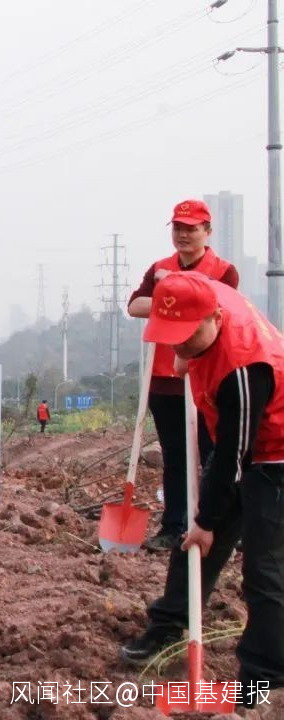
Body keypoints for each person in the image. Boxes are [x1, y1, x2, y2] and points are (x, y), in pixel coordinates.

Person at [120, 273, 284, 709]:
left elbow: (233, 457)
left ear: (216, 318)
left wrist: (209, 521)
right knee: (192, 543)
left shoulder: (244, 368)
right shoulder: (201, 294)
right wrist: (186, 355)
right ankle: (169, 623)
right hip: (244, 441)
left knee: (264, 569)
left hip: (275, 453)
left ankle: (265, 678)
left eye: (187, 337)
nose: (179, 344)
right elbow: (182, 286)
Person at [126, 199, 239, 552]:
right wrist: (171, 292)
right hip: (165, 378)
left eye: (191, 228)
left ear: (207, 231)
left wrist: (174, 287)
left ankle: (217, 525)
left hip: (207, 376)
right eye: (178, 228)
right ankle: (173, 526)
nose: (183, 235)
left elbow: (220, 307)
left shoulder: (224, 270)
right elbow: (135, 305)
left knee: (213, 454)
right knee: (175, 457)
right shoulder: (159, 268)